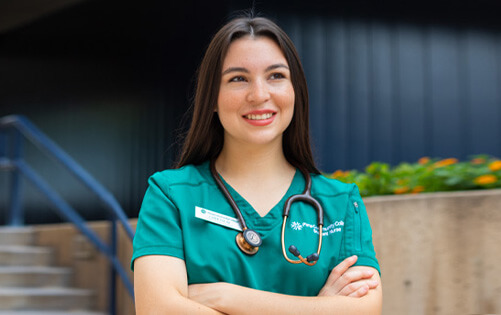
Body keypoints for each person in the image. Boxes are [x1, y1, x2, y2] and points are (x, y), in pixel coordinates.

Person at [131, 16, 382, 314]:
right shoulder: (171, 196)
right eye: (238, 79)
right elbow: (159, 310)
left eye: (276, 76)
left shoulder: (340, 203)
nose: (259, 95)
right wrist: (320, 307)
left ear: (295, 91)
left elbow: (365, 310)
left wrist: (226, 297)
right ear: (211, 97)